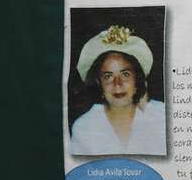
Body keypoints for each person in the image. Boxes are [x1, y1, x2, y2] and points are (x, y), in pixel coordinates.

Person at [70, 25, 166, 156]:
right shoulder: (84, 127)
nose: (117, 84)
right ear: (99, 83)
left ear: (137, 79)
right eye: (108, 76)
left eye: (125, 74)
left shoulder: (161, 115)